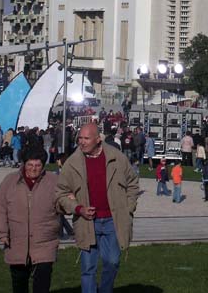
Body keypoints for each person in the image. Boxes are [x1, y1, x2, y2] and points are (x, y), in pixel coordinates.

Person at [55, 123, 139, 293]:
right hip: (87, 222)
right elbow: (60, 193)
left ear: (97, 139)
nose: (82, 142)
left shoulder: (116, 157)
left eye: (86, 138)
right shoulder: (72, 163)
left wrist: (128, 208)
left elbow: (132, 183)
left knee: (113, 261)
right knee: (88, 268)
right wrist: (78, 208)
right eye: (80, 138)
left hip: (112, 220)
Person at [0, 148, 60, 293]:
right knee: (19, 284)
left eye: (38, 165)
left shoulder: (53, 181)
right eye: (30, 165)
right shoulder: (10, 181)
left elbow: (63, 202)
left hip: (44, 241)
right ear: (24, 164)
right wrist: (1, 232)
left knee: (42, 284)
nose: (34, 169)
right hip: (16, 241)